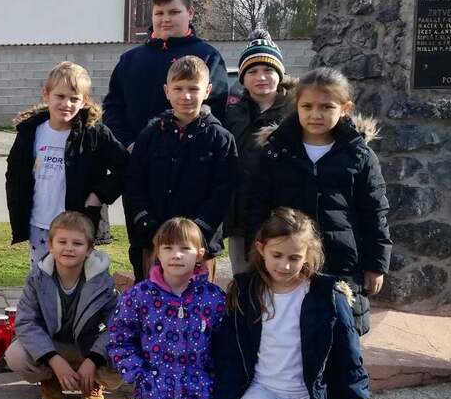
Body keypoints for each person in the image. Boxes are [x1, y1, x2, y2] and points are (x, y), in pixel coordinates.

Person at [212, 208, 370, 399]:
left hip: (307, 395)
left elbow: (349, 361)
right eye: (277, 255)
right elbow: (229, 357)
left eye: (294, 258)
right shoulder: (246, 292)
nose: (284, 265)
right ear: (261, 249)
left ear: (308, 255)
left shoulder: (328, 297)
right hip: (263, 388)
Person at [243, 67, 391, 334]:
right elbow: (256, 207)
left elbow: (375, 212)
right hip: (288, 263)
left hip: (342, 264)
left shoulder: (359, 155)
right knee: (290, 334)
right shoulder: (276, 152)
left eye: (326, 107)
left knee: (341, 337)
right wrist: (257, 256)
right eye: (307, 106)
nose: (315, 114)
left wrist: (376, 264)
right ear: (296, 106)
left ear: (345, 108)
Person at [103, 0, 229, 280]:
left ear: (190, 13)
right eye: (159, 13)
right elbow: (113, 109)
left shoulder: (207, 56)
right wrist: (130, 144)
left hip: (194, 178)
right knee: (148, 266)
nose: (165, 19)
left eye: (174, 12)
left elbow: (218, 110)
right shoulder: (130, 60)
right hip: (146, 176)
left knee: (196, 278)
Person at [107, 218, 225, 399]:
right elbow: (120, 336)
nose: (176, 255)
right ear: (158, 253)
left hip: (199, 393)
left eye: (184, 248)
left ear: (199, 254)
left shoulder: (213, 298)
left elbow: (225, 345)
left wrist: (216, 381)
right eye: (168, 248)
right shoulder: (140, 295)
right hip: (155, 391)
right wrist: (138, 374)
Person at [124, 56, 238, 279]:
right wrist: (150, 227)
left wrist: (196, 233)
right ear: (167, 91)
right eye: (178, 89)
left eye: (193, 89)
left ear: (207, 91)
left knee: (199, 300)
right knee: (152, 299)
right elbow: (134, 183)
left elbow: (224, 191)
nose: (185, 96)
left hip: (200, 246)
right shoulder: (149, 136)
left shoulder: (221, 139)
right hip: (154, 241)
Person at [5, 62, 127, 266]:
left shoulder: (94, 133)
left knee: (76, 279)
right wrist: (18, 209)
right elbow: (14, 174)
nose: (66, 104)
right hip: (40, 225)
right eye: (60, 96)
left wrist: (99, 195)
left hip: (78, 227)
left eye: (74, 98)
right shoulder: (30, 132)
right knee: (42, 278)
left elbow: (126, 168)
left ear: (84, 101)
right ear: (46, 94)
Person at [7, 211, 124, 399]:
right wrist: (53, 359)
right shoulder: (37, 279)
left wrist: (94, 359)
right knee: (15, 355)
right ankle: (51, 379)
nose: (69, 248)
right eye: (62, 242)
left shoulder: (103, 282)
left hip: (89, 347)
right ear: (50, 245)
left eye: (77, 243)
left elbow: (118, 325)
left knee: (127, 352)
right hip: (52, 344)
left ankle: (93, 382)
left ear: (89, 249)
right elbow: (26, 322)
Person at [222, 33, 294, 274]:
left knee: (281, 277)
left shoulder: (296, 112)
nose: (261, 77)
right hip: (241, 214)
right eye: (252, 71)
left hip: (283, 213)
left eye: (268, 70)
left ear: (280, 74)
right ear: (243, 78)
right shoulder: (232, 113)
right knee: (243, 278)